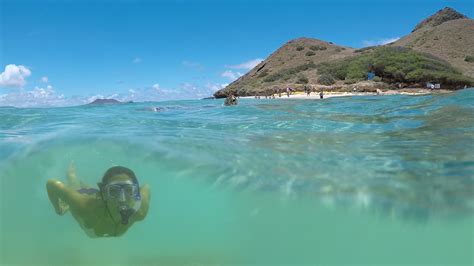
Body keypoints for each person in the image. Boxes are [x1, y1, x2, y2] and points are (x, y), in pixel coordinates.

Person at [46, 164, 150, 238]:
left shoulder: (140, 211)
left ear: (136, 191)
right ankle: (72, 176)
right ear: (103, 193)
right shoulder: (85, 207)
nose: (122, 199)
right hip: (92, 204)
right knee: (76, 187)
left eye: (129, 190)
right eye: (113, 191)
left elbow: (146, 187)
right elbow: (52, 184)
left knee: (91, 191)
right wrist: (58, 209)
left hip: (102, 198)